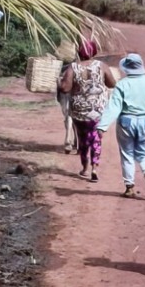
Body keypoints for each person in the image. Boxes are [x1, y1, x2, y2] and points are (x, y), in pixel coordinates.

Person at [96, 53, 145, 199]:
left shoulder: (122, 84)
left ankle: (129, 187)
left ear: (126, 68)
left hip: (126, 121)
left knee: (127, 154)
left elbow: (114, 107)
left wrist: (102, 126)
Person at [58, 36, 116, 181]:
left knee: (83, 140)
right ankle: (94, 168)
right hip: (97, 111)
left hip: (79, 112)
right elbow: (112, 84)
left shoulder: (73, 67)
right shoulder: (101, 66)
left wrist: (59, 82)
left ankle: (84, 168)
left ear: (79, 52)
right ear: (93, 52)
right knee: (96, 139)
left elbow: (65, 88)